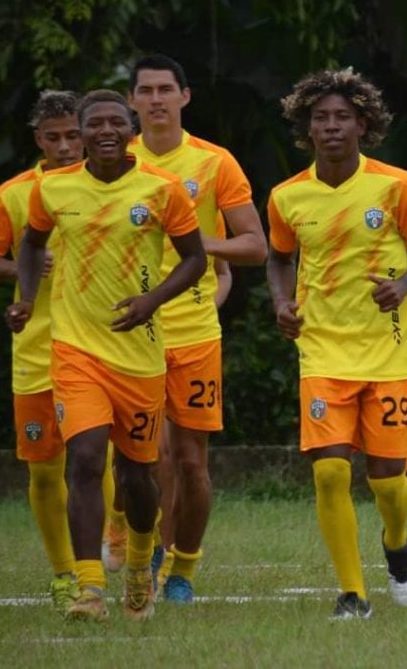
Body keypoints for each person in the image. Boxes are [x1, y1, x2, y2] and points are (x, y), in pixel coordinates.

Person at [6, 89, 206, 622]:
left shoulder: (161, 190)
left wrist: (151, 301)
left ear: (131, 131)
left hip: (138, 356)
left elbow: (195, 260)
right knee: (86, 459)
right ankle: (89, 588)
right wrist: (26, 298)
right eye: (94, 124)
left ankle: (139, 564)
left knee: (138, 475)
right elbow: (31, 244)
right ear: (83, 133)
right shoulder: (52, 188)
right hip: (75, 350)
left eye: (117, 122)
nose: (105, 131)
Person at [267, 69, 407, 620]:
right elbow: (278, 258)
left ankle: (397, 542)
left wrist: (404, 286)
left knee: (388, 483)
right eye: (321, 117)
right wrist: (281, 302)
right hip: (322, 351)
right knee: (329, 471)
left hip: (387, 353)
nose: (332, 126)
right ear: (307, 127)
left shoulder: (394, 185)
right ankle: (352, 593)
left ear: (362, 125)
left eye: (342, 117)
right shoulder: (287, 196)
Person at [125, 54, 267, 603]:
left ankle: (182, 569)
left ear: (185, 97)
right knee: (139, 458)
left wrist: (195, 242)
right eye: (145, 90)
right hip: (128, 329)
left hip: (193, 333)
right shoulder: (114, 161)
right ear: (132, 99)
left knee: (189, 461)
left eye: (166, 89)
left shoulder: (214, 162)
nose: (156, 99)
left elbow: (255, 246)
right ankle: (143, 549)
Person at [0, 90, 85, 610]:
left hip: (99, 346)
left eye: (73, 135)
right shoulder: (14, 194)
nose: (65, 146)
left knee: (98, 459)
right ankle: (63, 574)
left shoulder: (116, 187)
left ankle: (105, 560)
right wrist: (22, 268)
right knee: (45, 471)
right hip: (37, 351)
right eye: (54, 137)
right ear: (38, 139)